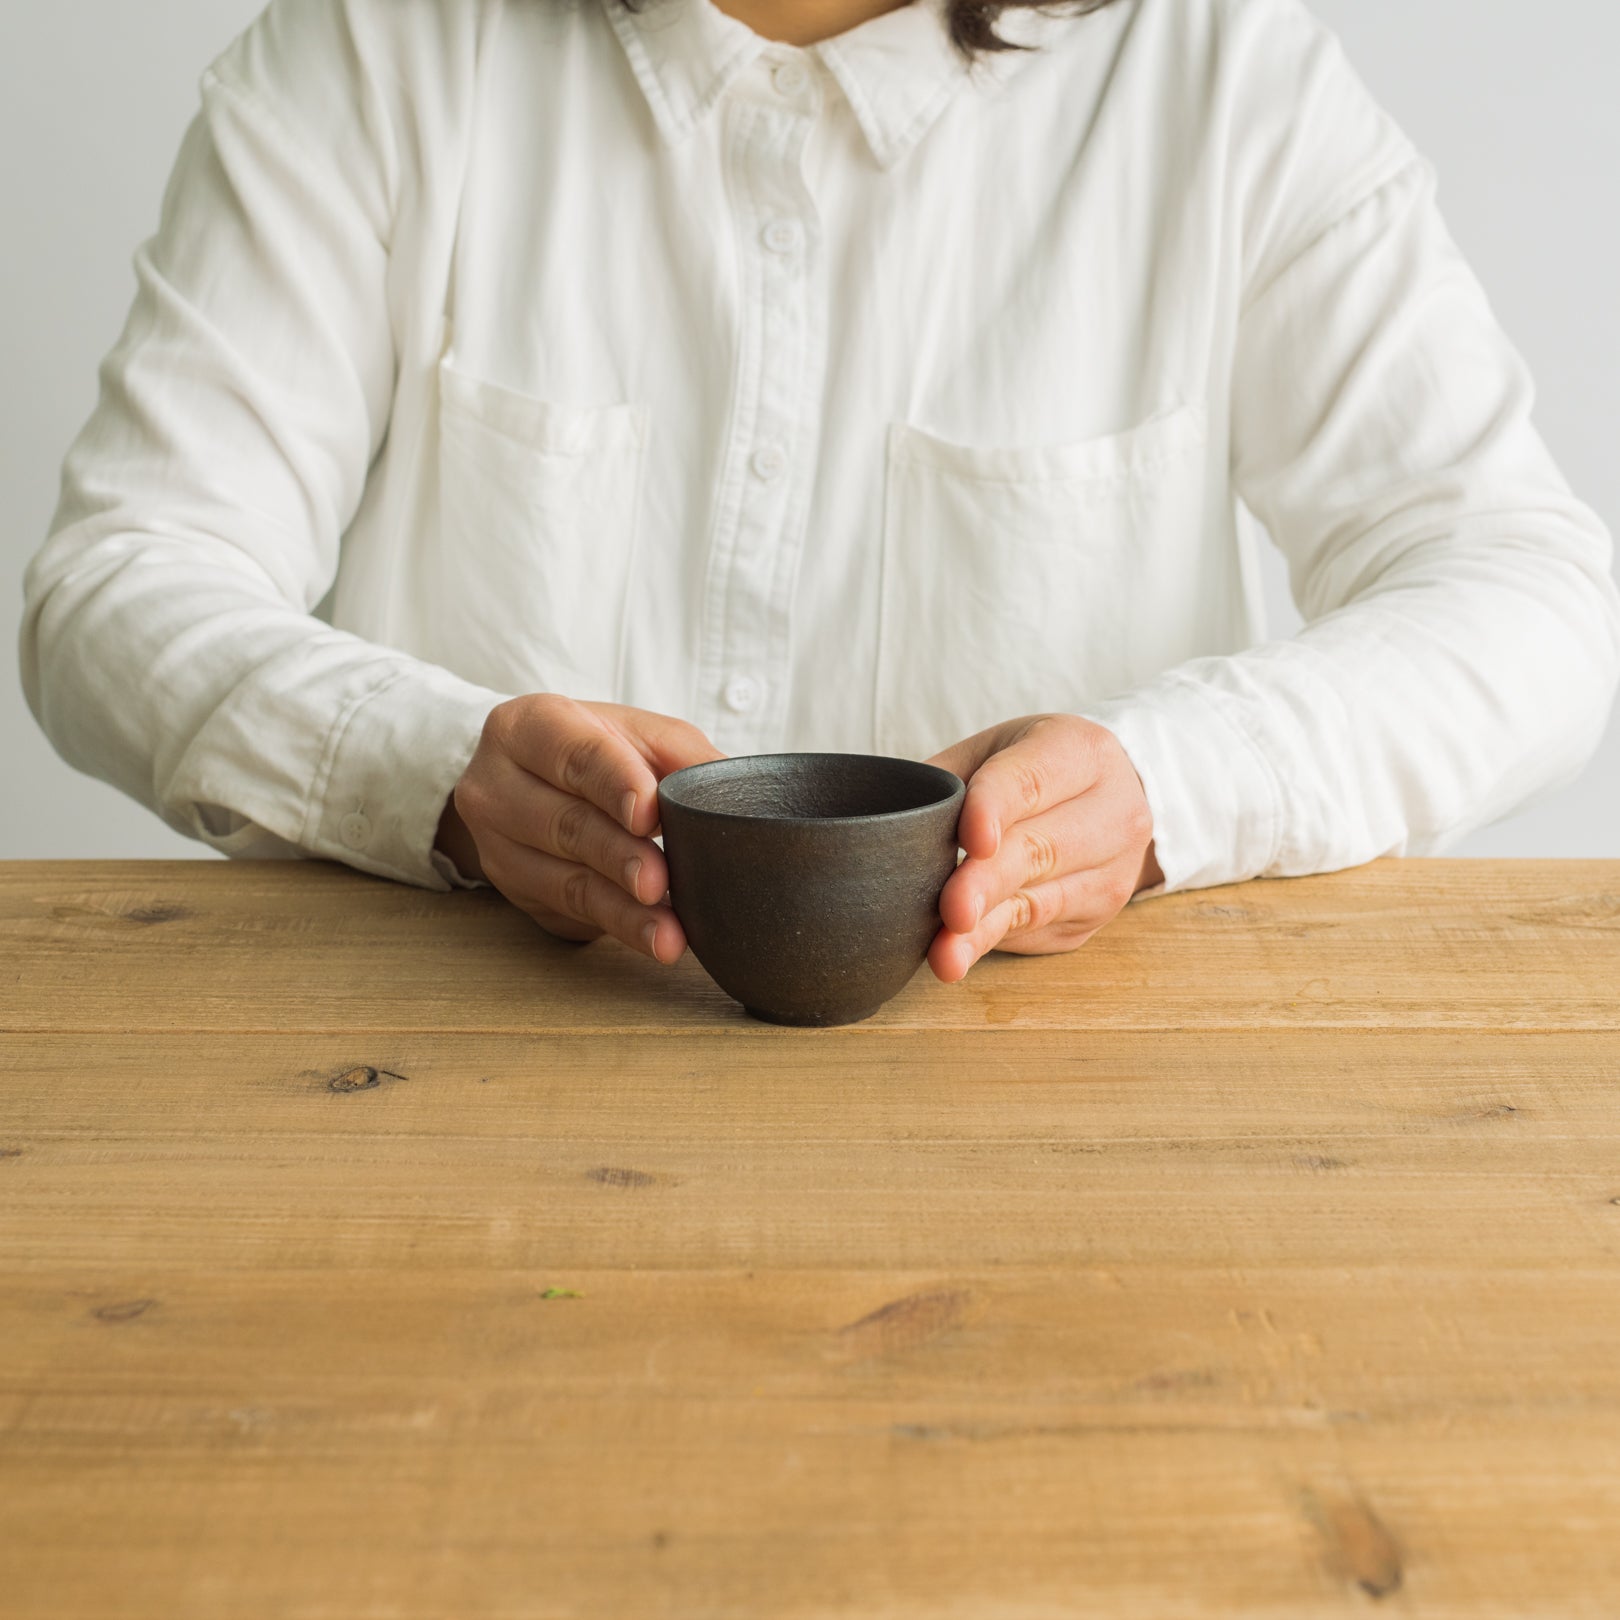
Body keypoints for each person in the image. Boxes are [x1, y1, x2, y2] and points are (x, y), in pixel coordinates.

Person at [20, 0, 1619, 986]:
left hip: (1073, 1140)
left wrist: (1170, 788)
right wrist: (436, 770)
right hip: (468, 1110)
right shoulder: (371, 47)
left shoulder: (1224, 81)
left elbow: (1532, 599)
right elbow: (120, 586)